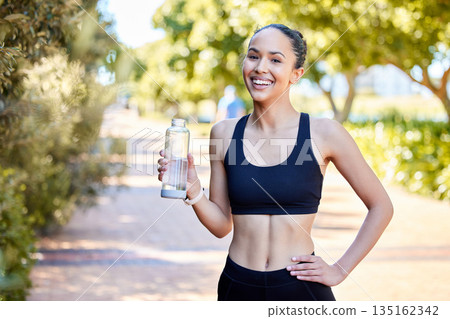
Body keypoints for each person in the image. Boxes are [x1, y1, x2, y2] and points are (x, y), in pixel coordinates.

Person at [157, 24, 393, 301]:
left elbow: (381, 206)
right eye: (253, 56)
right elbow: (222, 226)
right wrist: (194, 191)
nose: (260, 67)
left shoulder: (324, 133)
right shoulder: (223, 133)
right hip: (238, 285)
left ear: (296, 74)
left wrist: (339, 270)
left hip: (301, 288)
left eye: (276, 60)